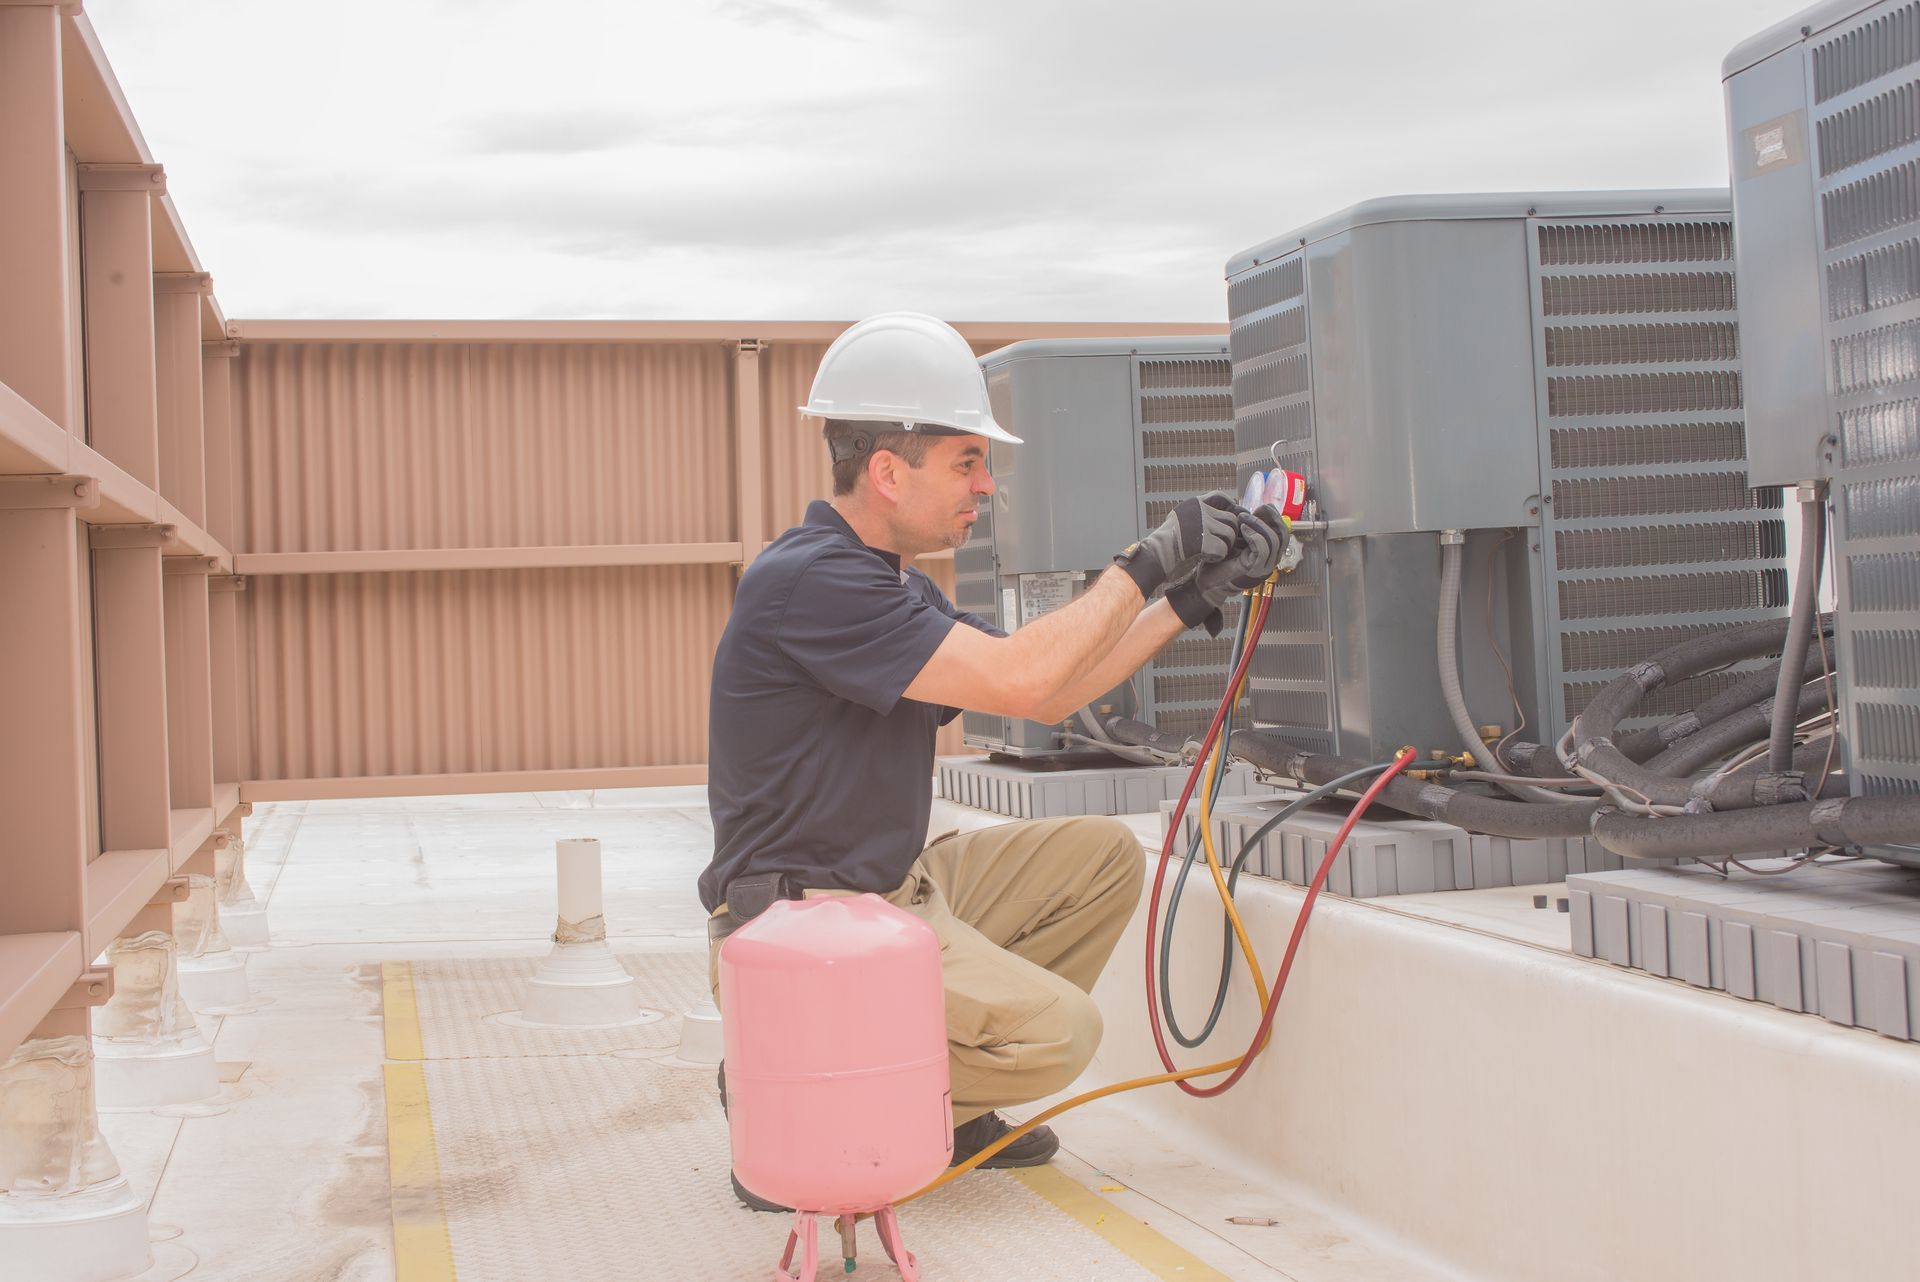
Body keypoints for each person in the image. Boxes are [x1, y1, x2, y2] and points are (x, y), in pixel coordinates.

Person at [701, 312, 1287, 1211]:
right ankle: (788, 1103)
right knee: (1063, 1035)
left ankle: (933, 1099)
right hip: (806, 930)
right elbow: (1025, 678)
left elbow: (1049, 693)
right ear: (888, 471)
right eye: (966, 463)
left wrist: (1192, 597)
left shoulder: (891, 583)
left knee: (1100, 859)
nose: (986, 487)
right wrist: (1146, 560)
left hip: (890, 892)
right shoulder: (812, 581)